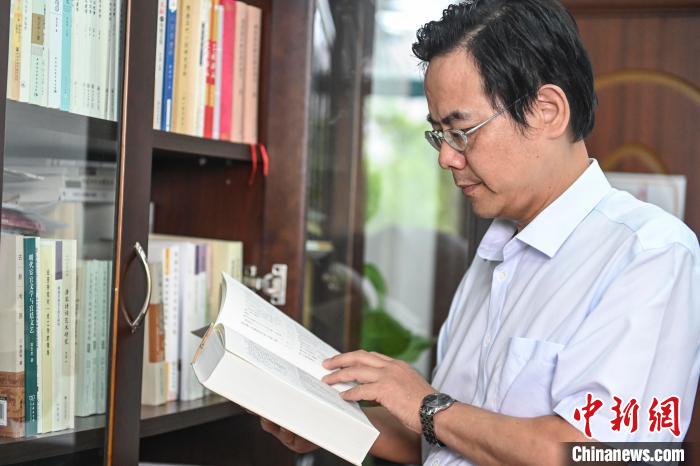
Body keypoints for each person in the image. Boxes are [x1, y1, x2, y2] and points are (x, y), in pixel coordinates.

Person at [262, 0, 700, 464]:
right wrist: (328, 421)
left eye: (462, 130)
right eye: (439, 135)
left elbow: (593, 454)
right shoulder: (495, 254)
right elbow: (448, 436)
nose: (446, 158)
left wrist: (425, 404)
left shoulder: (650, 253)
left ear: (548, 111)